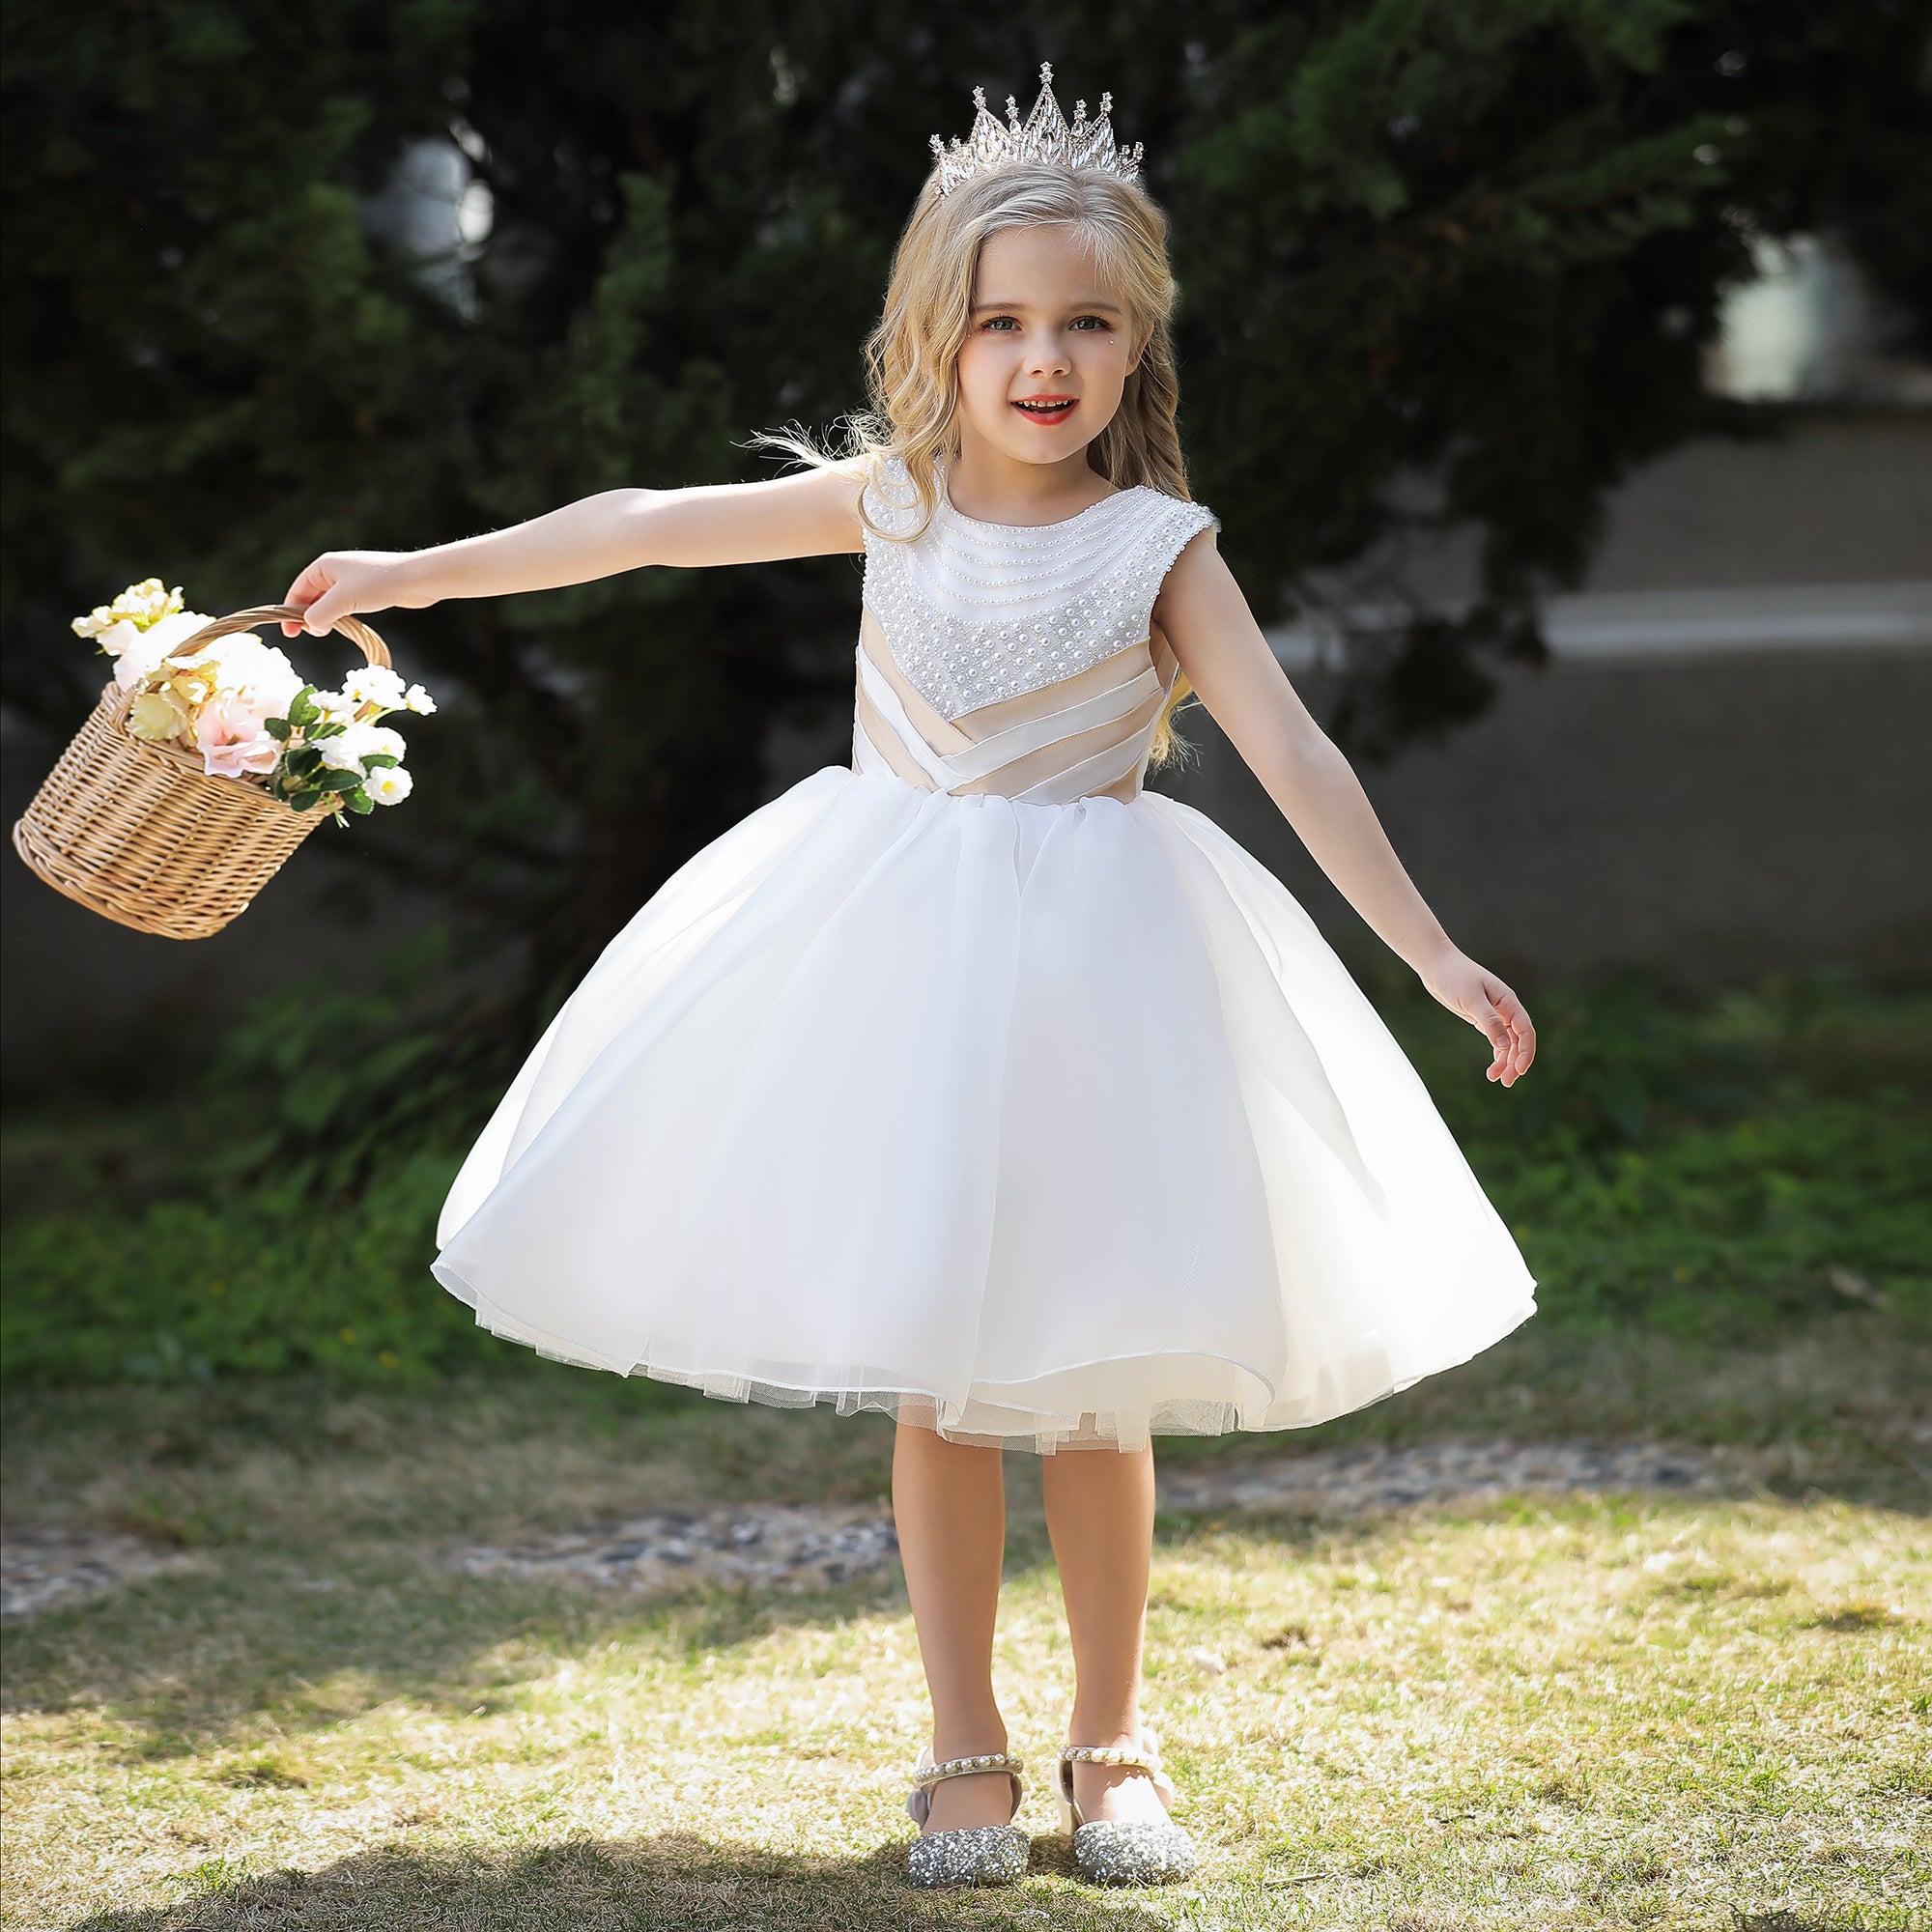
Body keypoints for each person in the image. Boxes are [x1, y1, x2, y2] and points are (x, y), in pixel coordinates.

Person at [280, 66, 1538, 1893]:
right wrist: (419, 572)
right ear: (939, 337)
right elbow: (638, 522)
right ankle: (964, 1747)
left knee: (1093, 1380)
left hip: (1104, 989)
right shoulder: (893, 505)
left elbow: (1293, 751)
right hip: (896, 977)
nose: (1045, 359)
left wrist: (1429, 950)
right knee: (936, 1382)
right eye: (1004, 322)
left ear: (1138, 343)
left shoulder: (1159, 547)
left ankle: (1115, 1748)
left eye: (1086, 323)